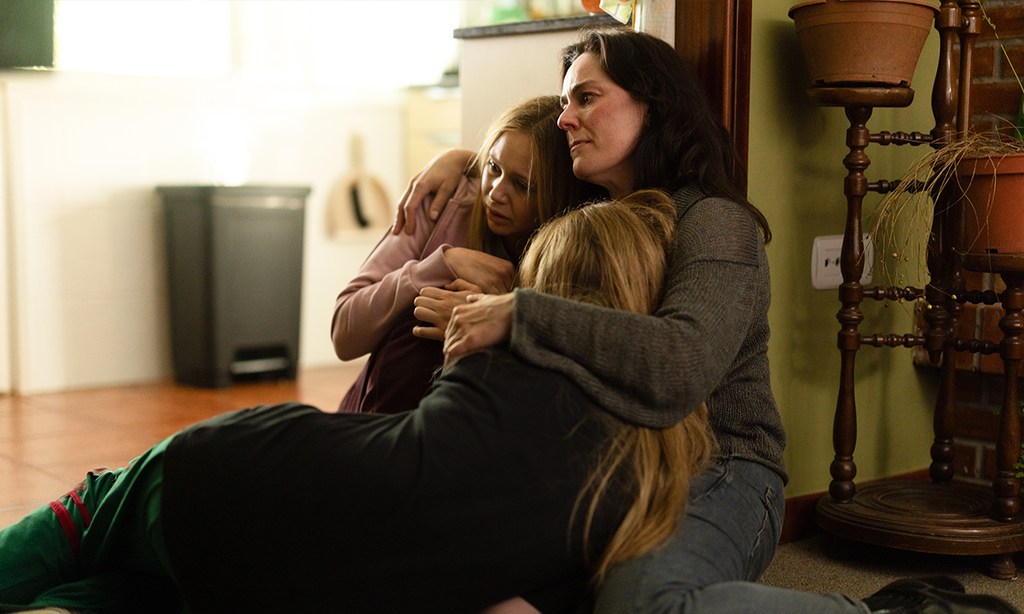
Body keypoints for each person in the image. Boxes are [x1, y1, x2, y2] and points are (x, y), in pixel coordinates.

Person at [392, 26, 1018, 614]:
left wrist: (519, 312)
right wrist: (462, 162)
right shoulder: (586, 215)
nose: (565, 118)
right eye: (564, 103)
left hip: (723, 467)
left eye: (587, 97)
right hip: (612, 461)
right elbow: (519, 155)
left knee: (643, 604)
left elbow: (679, 363)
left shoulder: (715, 222)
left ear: (653, 105)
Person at [0, 192, 718, 614]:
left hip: (238, 474)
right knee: (159, 586)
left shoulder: (500, 360)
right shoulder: (645, 472)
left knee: (95, 518)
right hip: (306, 575)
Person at [331, 95, 600, 415]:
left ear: (557, 196)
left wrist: (485, 327)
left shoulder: (569, 252)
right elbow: (343, 334)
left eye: (522, 185)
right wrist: (439, 266)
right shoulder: (440, 203)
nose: (496, 193)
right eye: (493, 167)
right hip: (375, 414)